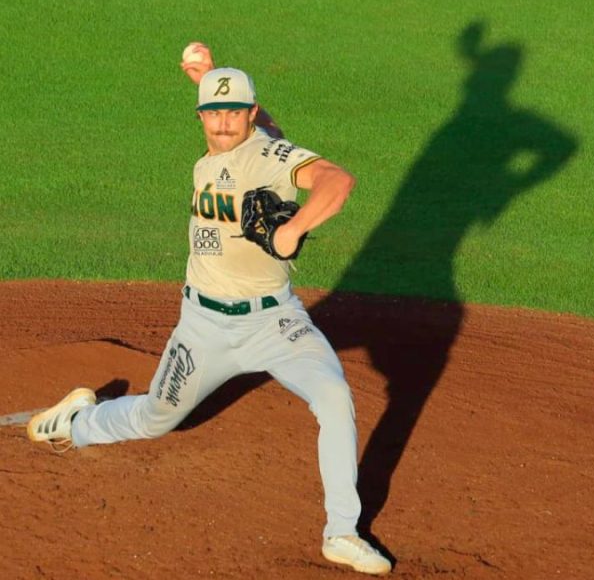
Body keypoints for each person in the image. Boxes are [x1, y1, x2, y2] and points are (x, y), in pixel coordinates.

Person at [27, 45, 392, 576]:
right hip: (202, 327)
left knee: (334, 395)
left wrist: (292, 230)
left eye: (234, 112)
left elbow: (338, 181)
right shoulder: (233, 144)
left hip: (275, 322)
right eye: (212, 112)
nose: (223, 123)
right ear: (202, 116)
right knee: (157, 418)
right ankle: (78, 421)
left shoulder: (270, 158)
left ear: (250, 113)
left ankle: (341, 531)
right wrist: (205, 73)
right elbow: (252, 122)